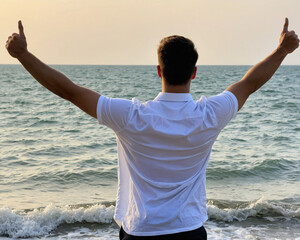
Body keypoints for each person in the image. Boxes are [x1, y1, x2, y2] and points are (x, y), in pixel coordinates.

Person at [6, 18, 299, 240]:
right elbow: (249, 83)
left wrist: (23, 55)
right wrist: (282, 50)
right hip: (189, 231)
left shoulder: (131, 116)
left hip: (140, 232)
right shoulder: (210, 115)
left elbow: (70, 91)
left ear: (158, 70)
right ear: (194, 73)